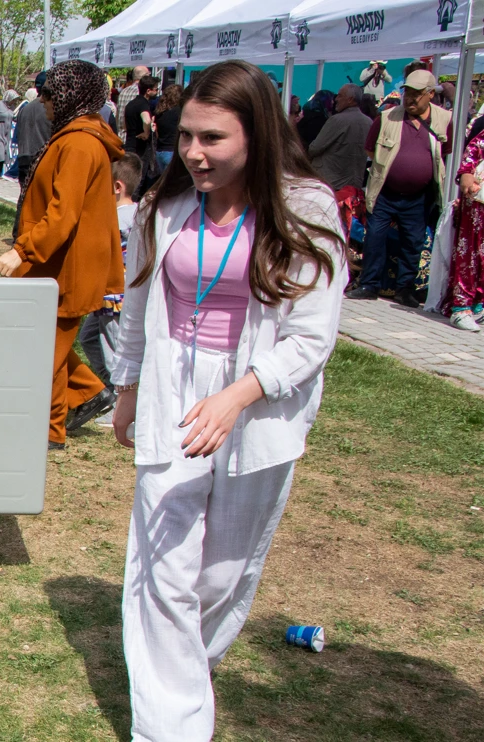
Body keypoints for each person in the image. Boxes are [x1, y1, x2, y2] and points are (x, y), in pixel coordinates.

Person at [109, 60, 346, 742]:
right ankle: (170, 728)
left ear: (259, 134)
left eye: (212, 138)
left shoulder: (308, 210)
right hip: (172, 396)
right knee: (163, 571)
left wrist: (240, 395)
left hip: (259, 406)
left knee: (221, 576)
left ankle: (181, 673)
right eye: (185, 136)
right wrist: (127, 388)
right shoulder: (165, 206)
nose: (193, 153)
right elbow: (136, 302)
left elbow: (311, 336)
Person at [0, 59, 124, 451]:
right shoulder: (73, 136)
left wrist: (22, 251)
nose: (43, 101)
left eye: (49, 94)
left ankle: (50, 431)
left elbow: (62, 215)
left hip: (65, 266)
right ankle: (87, 392)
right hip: (55, 263)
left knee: (43, 353)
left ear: (70, 96)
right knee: (45, 344)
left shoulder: (80, 143)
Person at [346, 69, 453, 308]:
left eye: (417, 94)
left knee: (412, 243)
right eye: (408, 93)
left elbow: (445, 153)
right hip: (385, 192)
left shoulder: (444, 119)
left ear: (429, 95)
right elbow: (369, 149)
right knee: (374, 238)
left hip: (418, 196)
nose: (410, 99)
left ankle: (405, 289)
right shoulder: (387, 117)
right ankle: (369, 284)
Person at [79, 152, 140, 420]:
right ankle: (112, 391)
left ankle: (122, 405)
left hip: (115, 297)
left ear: (117, 187)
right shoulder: (137, 214)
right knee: (90, 338)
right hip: (108, 296)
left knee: (114, 347)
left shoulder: (118, 219)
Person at [447, 130, 484, 331]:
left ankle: (480, 304)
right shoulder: (482, 138)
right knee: (470, 255)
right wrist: (467, 176)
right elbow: (469, 161)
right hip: (478, 206)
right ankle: (461, 308)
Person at [308, 83, 373, 192]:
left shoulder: (337, 120)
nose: (336, 99)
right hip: (354, 183)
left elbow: (314, 148)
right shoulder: (368, 122)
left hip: (332, 183)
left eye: (340, 95)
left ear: (350, 99)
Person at [14, 72, 53, 185]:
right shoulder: (52, 109)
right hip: (43, 160)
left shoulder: (24, 109)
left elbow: (18, 135)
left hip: (24, 159)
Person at [152, 83, 183, 175]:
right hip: (172, 151)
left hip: (160, 151)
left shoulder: (159, 112)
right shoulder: (179, 111)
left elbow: (157, 133)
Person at [124, 75, 158, 157]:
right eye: (156, 89)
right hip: (139, 147)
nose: (157, 92)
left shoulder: (130, 104)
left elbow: (124, 125)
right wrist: (146, 133)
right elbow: (146, 120)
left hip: (129, 143)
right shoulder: (143, 104)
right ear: (148, 91)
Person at [115, 66, 150, 139]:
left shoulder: (123, 92)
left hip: (121, 136)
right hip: (135, 139)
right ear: (144, 77)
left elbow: (117, 116)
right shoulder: (140, 92)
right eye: (149, 75)